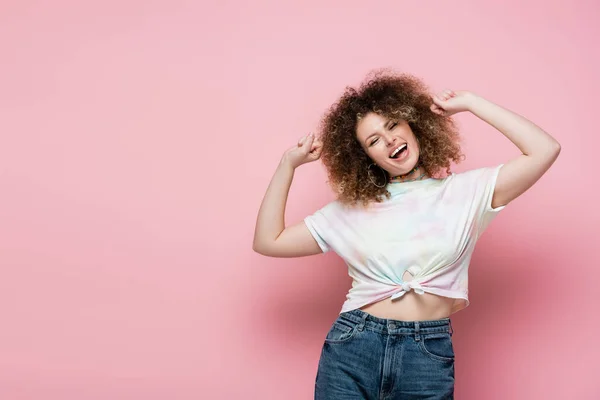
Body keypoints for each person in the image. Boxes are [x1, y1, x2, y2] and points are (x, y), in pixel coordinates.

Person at [252, 70, 560, 399]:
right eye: (373, 141)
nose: (389, 140)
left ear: (411, 123)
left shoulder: (468, 192)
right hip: (353, 346)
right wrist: (288, 164)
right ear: (365, 157)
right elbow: (268, 241)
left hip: (427, 354)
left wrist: (472, 103)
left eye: (392, 125)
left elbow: (545, 149)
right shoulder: (352, 210)